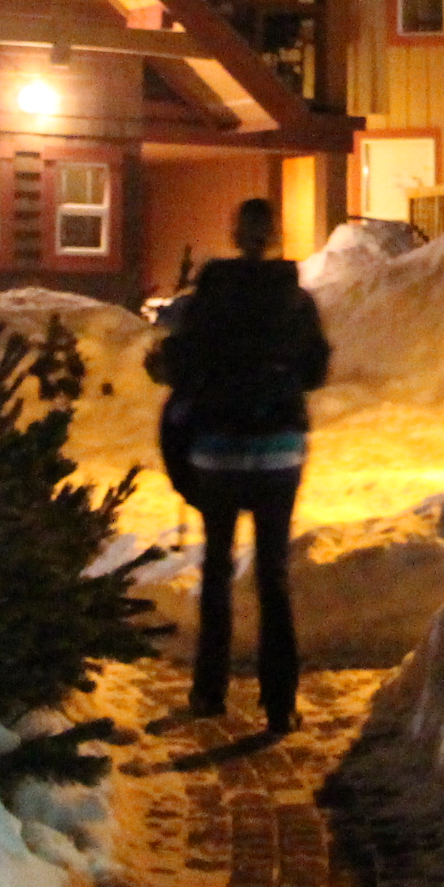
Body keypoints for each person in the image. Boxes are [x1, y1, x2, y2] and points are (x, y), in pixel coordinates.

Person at [156, 198, 330, 733]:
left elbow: (180, 361)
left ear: (235, 234)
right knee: (273, 575)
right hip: (279, 451)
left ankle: (209, 692)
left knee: (217, 568)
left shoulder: (209, 297)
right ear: (276, 236)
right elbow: (316, 371)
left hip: (218, 451)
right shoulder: (296, 300)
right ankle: (279, 704)